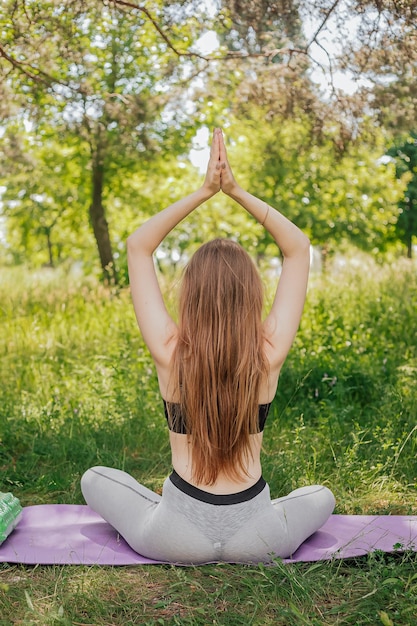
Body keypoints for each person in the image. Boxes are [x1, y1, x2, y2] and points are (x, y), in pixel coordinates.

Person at [81, 128, 335, 564]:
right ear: (251, 295)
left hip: (175, 532)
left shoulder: (169, 350)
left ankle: (161, 509)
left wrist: (204, 191)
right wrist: (236, 191)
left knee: (94, 478)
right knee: (321, 496)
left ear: (191, 295)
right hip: (258, 536)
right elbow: (298, 249)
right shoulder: (267, 351)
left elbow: (138, 247)